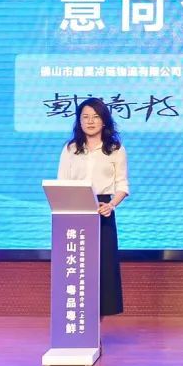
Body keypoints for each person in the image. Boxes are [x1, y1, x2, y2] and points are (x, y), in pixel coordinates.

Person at [57, 98, 129, 317]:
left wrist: (112, 205)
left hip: (103, 209)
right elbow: (61, 182)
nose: (90, 121)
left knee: (103, 267)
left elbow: (122, 185)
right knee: (77, 268)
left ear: (104, 121)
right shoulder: (71, 149)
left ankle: (97, 320)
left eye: (95, 117)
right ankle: (77, 317)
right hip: (75, 210)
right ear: (79, 121)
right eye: (85, 117)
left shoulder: (115, 149)